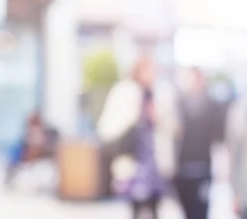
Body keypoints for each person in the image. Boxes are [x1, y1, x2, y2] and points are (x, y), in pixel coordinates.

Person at [97, 56, 179, 219]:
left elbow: (175, 128)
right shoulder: (125, 92)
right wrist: (135, 115)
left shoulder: (161, 93)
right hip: (134, 159)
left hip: (155, 160)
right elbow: (107, 126)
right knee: (135, 206)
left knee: (155, 206)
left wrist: (158, 116)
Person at [174, 68, 226, 219]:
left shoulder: (212, 106)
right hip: (182, 168)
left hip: (203, 167)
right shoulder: (179, 105)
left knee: (201, 211)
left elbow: (219, 139)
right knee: (187, 210)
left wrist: (222, 166)